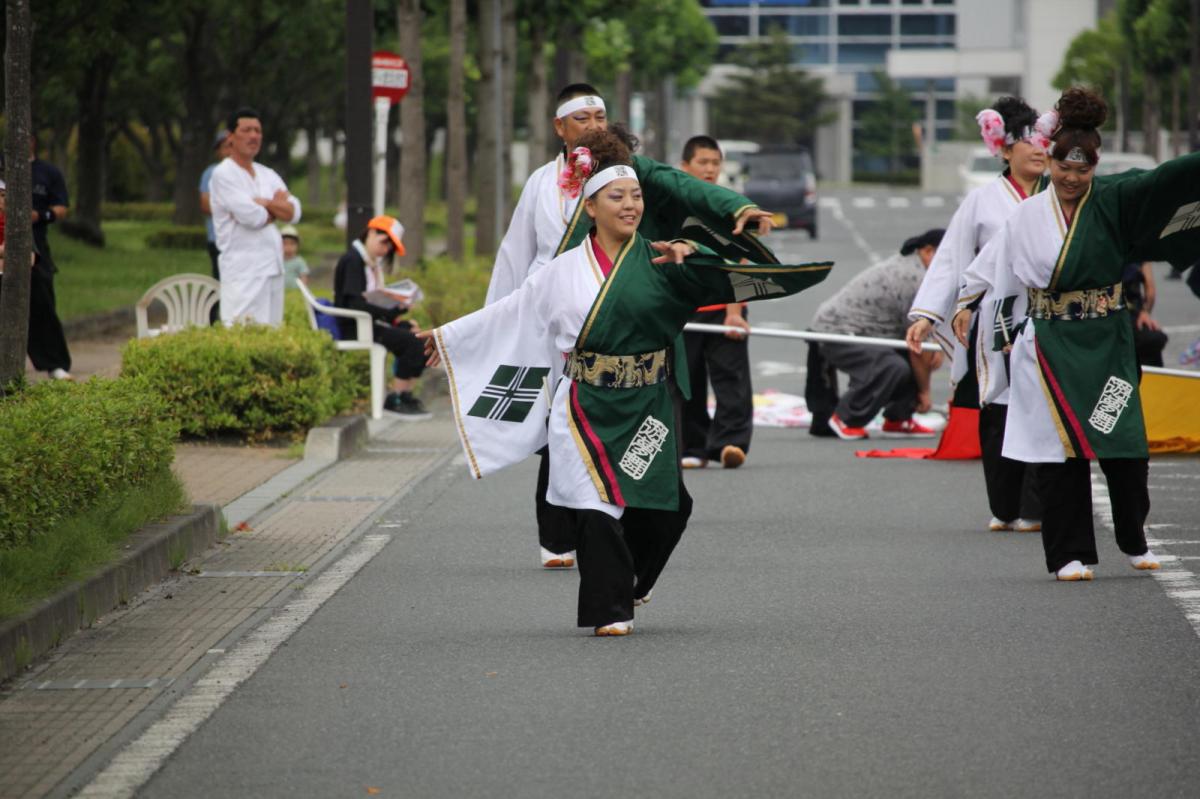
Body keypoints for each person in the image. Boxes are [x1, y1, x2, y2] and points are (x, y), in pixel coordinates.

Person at [420, 128, 831, 635]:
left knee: (668, 507)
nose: (630, 205)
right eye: (617, 197)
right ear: (591, 206)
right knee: (594, 507)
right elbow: (513, 314)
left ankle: (632, 580)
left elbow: (719, 268)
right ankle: (609, 610)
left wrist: (695, 251)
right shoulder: (560, 271)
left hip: (648, 400)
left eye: (636, 196)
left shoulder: (662, 260)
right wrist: (449, 338)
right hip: (584, 404)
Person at [487, 83, 777, 570]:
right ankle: (561, 537)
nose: (595, 125)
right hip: (556, 323)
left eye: (601, 115)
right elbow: (515, 254)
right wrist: (496, 322)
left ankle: (626, 538)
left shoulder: (629, 173)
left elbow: (684, 185)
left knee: (627, 436)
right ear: (560, 128)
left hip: (623, 324)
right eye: (582, 117)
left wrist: (736, 207)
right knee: (560, 430)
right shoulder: (540, 183)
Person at [952, 86, 1200, 581]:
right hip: (1047, 345)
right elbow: (990, 269)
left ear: (1095, 166)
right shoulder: (1024, 216)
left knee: (1124, 446)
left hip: (1107, 342)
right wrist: (965, 305)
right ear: (1049, 162)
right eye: (1063, 167)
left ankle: (1133, 536)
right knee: (1054, 452)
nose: (1071, 178)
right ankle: (1068, 553)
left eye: (1082, 170)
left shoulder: (1114, 201)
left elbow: (1166, 180)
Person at [906, 96, 1049, 533]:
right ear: (1004, 149)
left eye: (1044, 139)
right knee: (999, 407)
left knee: (1042, 407)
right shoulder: (982, 201)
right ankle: (1005, 504)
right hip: (997, 321)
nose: (1039, 148)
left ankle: (1036, 506)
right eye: (1027, 141)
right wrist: (929, 314)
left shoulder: (1061, 195)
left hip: (1049, 316)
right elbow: (951, 258)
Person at [808, 230, 944, 440]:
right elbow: (917, 346)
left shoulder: (916, 268)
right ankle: (845, 418)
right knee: (892, 366)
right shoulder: (912, 277)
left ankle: (898, 418)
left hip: (874, 333)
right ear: (927, 251)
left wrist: (935, 345)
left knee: (919, 357)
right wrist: (925, 392)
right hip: (836, 331)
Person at [677, 136, 754, 470]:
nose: (710, 169)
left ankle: (729, 444)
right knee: (687, 380)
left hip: (726, 308)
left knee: (730, 378)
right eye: (702, 163)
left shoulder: (729, 204)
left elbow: (740, 259)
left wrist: (734, 312)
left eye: (715, 163)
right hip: (684, 311)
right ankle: (693, 445)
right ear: (685, 167)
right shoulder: (672, 204)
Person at [209, 107, 301, 327]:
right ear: (230, 137)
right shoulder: (223, 174)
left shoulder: (267, 174)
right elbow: (253, 217)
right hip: (244, 271)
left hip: (272, 267)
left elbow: (294, 212)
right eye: (246, 130)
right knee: (243, 334)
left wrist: (266, 203)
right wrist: (275, 208)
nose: (254, 136)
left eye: (258, 130)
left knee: (272, 336)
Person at [333, 215, 430, 419]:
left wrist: (398, 315)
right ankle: (395, 398)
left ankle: (405, 394)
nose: (385, 250)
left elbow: (370, 303)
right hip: (357, 326)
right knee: (411, 342)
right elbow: (355, 303)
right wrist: (393, 311)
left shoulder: (369, 264)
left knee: (421, 337)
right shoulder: (353, 261)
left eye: (389, 247)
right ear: (371, 232)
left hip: (372, 323)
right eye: (383, 242)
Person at [25, 140, 73, 380]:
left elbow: (62, 208)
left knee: (42, 300)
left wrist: (40, 215)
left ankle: (55, 362)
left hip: (35, 240)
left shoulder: (48, 172)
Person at [1121, 262, 1167, 368]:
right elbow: (1150, 293)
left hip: (1106, 315)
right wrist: (1145, 312)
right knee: (1152, 340)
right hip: (1134, 313)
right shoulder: (1140, 249)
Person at [280, 225, 309, 289]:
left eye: (292, 244)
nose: (288, 247)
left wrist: (303, 288)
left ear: (298, 245)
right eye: (285, 243)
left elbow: (304, 276)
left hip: (295, 290)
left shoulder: (299, 261)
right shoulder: (278, 261)